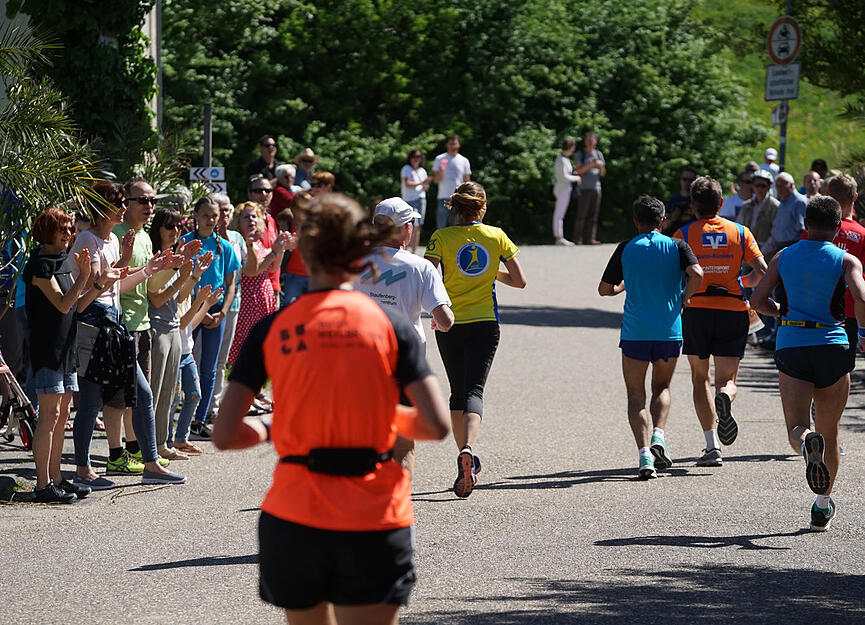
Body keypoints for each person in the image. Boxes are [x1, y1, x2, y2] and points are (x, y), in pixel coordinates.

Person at [212, 193, 450, 625]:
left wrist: (277, 423)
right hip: (375, 511)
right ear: (359, 248)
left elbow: (226, 435)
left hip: (296, 510)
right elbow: (434, 425)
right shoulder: (392, 327)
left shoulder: (272, 328)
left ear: (303, 251)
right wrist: (377, 417)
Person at [750, 195, 865, 531]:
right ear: (837, 226)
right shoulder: (846, 260)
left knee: (798, 427)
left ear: (805, 223)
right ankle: (822, 505)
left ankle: (805, 443)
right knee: (830, 432)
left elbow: (758, 300)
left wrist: (779, 311)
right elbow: (860, 297)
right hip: (832, 345)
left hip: (793, 344)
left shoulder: (784, 256)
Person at [71, 181, 185, 488]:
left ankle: (151, 464)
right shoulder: (87, 238)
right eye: (119, 203)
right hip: (94, 327)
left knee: (142, 394)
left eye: (124, 202)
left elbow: (116, 287)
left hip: (115, 326)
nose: (123, 208)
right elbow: (93, 290)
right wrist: (122, 266)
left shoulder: (110, 241)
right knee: (92, 401)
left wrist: (148, 269)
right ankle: (83, 469)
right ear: (102, 207)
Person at [424, 181, 526, 497]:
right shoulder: (496, 236)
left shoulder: (441, 237)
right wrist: (490, 271)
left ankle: (462, 457)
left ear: (454, 208)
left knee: (457, 391)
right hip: (485, 322)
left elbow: (428, 279)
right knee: (474, 389)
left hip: (450, 323)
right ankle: (468, 447)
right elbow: (520, 282)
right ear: (483, 207)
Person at [599, 196, 703, 479]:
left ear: (636, 221)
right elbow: (697, 273)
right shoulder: (677, 246)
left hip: (635, 331)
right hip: (669, 330)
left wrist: (623, 287)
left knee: (636, 395)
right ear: (663, 220)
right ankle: (659, 435)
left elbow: (604, 290)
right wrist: (685, 297)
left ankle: (645, 456)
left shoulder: (626, 248)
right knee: (662, 388)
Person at [673, 176, 768, 467]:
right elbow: (762, 271)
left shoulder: (683, 233)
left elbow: (673, 275)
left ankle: (712, 446)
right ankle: (725, 396)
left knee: (700, 378)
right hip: (732, 309)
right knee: (727, 380)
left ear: (692, 205)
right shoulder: (740, 232)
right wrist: (741, 280)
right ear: (722, 203)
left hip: (697, 310)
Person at [356, 197, 454, 475]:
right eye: (411, 222)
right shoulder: (420, 267)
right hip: (405, 364)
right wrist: (439, 322)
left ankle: (362, 502)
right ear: (405, 229)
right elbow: (445, 320)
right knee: (403, 444)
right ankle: (396, 508)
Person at [26, 208, 92, 503]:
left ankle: (57, 478)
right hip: (48, 350)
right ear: (47, 231)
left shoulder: (63, 262)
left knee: (62, 415)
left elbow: (77, 305)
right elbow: (64, 304)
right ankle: (42, 485)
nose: (68, 234)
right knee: (49, 415)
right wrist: (85, 277)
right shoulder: (40, 264)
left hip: (67, 348)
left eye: (70, 229)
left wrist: (102, 281)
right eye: (62, 229)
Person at [147, 208, 209, 461]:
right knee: (154, 393)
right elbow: (157, 298)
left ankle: (162, 444)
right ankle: (148, 448)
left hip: (174, 328)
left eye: (178, 227)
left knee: (168, 396)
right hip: (156, 328)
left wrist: (193, 276)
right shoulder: (156, 259)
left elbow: (179, 297)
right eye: (169, 227)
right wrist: (179, 274)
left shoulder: (176, 258)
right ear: (158, 230)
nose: (175, 232)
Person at [180, 197, 241, 440]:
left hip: (216, 311)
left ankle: (199, 419)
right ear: (195, 215)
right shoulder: (186, 243)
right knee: (184, 360)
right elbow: (180, 280)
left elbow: (231, 283)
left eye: (214, 215)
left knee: (211, 367)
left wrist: (223, 311)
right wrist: (199, 310)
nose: (211, 220)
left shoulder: (223, 246)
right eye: (205, 215)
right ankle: (180, 415)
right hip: (190, 308)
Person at [804, 174, 865, 373]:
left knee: (813, 364)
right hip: (849, 313)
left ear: (828, 196)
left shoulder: (812, 231)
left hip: (813, 308)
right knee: (841, 370)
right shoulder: (862, 235)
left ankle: (816, 400)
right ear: (855, 197)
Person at [228, 202, 290, 365]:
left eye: (254, 216)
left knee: (262, 340)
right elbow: (251, 271)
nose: (251, 220)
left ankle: (256, 385)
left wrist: (280, 248)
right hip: (248, 300)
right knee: (246, 342)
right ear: (238, 221)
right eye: (246, 217)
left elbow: (273, 268)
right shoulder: (239, 242)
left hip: (263, 297)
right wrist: (274, 252)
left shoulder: (259, 242)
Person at [208, 194, 246, 421]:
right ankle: (197, 408)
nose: (223, 216)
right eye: (219, 211)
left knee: (221, 360)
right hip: (205, 304)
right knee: (201, 358)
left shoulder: (236, 238)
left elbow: (241, 270)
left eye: (226, 211)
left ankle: (213, 407)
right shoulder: (202, 238)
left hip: (231, 305)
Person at [247, 176, 282, 306]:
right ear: (249, 194)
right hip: (253, 288)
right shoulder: (248, 220)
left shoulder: (271, 220)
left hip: (272, 284)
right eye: (258, 190)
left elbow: (275, 253)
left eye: (268, 190)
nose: (264, 194)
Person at [763, 172, 807, 259]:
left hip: (791, 246)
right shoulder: (783, 201)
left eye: (782, 185)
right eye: (777, 186)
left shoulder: (799, 202)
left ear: (791, 185)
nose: (779, 189)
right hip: (778, 246)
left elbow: (802, 229)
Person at [572, 131, 606, 244]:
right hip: (583, 188)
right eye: (588, 140)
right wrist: (590, 165)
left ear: (596, 141)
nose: (590, 142)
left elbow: (602, 174)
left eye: (592, 140)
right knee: (581, 215)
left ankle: (590, 238)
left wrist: (600, 167)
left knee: (593, 215)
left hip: (596, 188)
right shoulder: (580, 154)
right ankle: (577, 238)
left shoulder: (599, 154)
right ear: (585, 141)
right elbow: (578, 171)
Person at [433, 135, 472, 230]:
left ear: (458, 145)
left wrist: (468, 197)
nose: (453, 146)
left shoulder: (464, 160)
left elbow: (467, 181)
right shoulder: (440, 159)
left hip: (458, 198)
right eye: (450, 144)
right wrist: (440, 172)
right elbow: (435, 180)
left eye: (455, 143)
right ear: (447, 145)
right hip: (443, 197)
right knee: (441, 227)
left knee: (457, 227)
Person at [280, 192, 312, 306]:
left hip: (313, 274)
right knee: (289, 309)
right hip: (293, 273)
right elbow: (279, 242)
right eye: (300, 206)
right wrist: (286, 243)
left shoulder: (317, 223)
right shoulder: (288, 222)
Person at [736, 169, 779, 250]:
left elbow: (774, 235)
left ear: (769, 186)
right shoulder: (746, 205)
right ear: (752, 186)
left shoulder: (775, 207)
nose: (759, 189)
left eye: (763, 186)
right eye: (757, 185)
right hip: (746, 251)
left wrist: (760, 252)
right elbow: (739, 228)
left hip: (766, 254)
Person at [400, 149, 431, 253]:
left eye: (418, 157)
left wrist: (425, 184)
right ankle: (405, 249)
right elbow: (407, 183)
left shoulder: (422, 171)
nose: (416, 159)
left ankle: (414, 251)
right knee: (410, 225)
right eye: (414, 157)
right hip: (409, 200)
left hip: (421, 199)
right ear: (410, 158)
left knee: (418, 226)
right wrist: (421, 183)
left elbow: (426, 187)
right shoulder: (406, 169)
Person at [552, 138, 580, 246]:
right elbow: (563, 176)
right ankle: (559, 236)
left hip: (565, 188)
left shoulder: (564, 159)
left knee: (560, 213)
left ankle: (559, 236)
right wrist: (576, 178)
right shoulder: (561, 159)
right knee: (559, 214)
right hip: (562, 188)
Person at [663, 166, 697, 235]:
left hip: (693, 236)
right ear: (680, 180)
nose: (687, 182)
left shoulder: (698, 200)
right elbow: (665, 225)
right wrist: (673, 218)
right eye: (684, 179)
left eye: (690, 180)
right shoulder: (673, 200)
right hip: (675, 237)